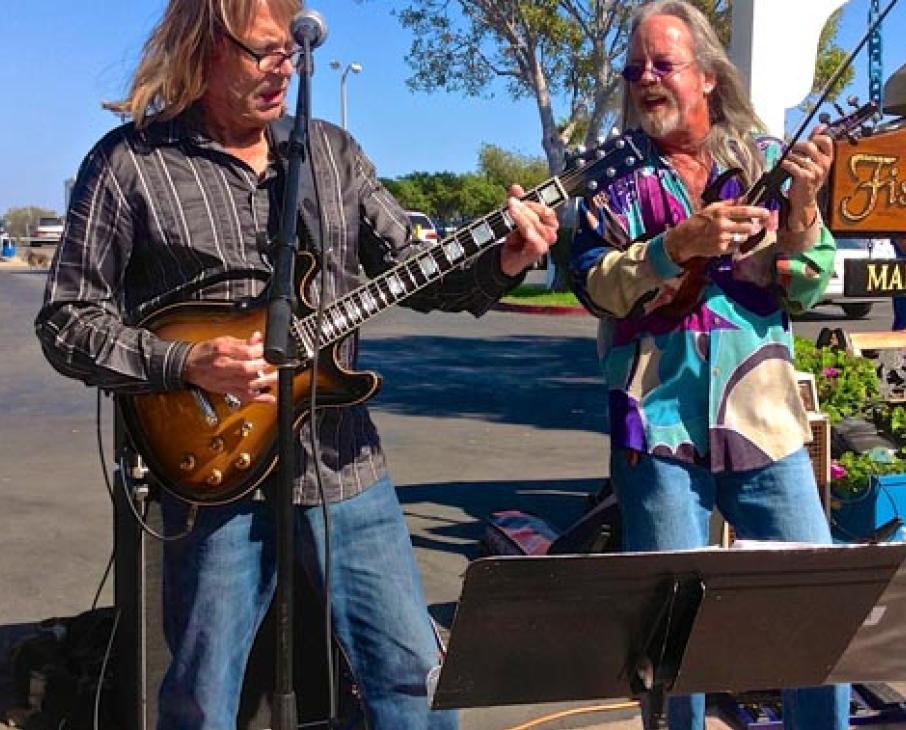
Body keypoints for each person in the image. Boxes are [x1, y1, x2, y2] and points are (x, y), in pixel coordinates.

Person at [33, 1, 556, 728]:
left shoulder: (331, 155)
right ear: (205, 48)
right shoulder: (130, 167)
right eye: (264, 52)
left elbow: (413, 269)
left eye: (294, 53)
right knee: (202, 692)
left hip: (342, 465)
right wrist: (185, 362)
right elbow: (66, 322)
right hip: (216, 475)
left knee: (412, 672)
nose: (285, 68)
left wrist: (503, 259)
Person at [568, 2, 846, 728]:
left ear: (710, 76)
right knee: (671, 635)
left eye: (663, 64)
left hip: (763, 421)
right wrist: (675, 246)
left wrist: (807, 208)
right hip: (656, 428)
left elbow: (810, 281)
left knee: (815, 608)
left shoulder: (761, 163)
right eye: (635, 69)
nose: (645, 80)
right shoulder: (612, 177)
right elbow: (594, 281)